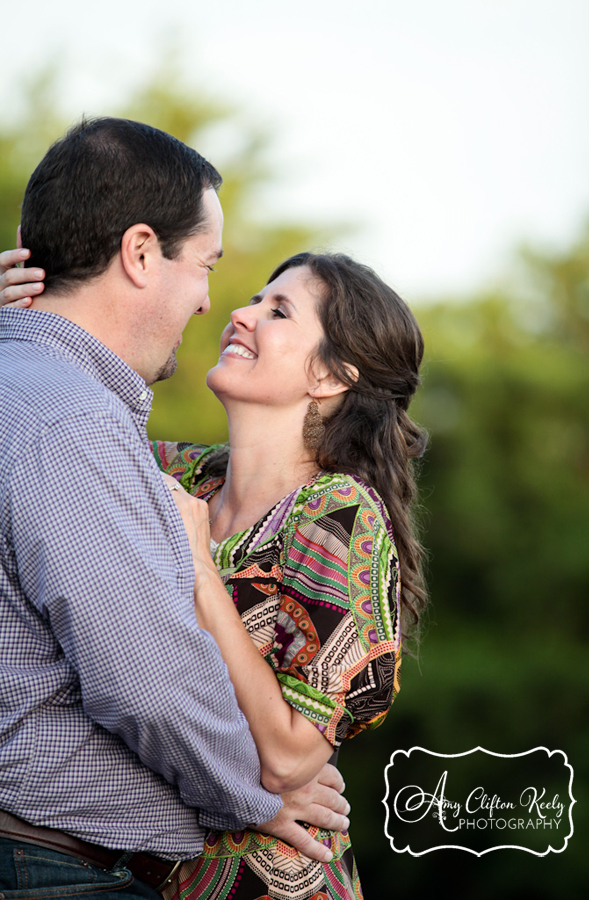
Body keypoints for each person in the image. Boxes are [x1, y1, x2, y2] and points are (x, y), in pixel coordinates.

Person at [2, 245, 428, 899]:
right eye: (257, 298)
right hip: (132, 873)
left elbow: (291, 757)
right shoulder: (171, 471)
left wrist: (201, 571)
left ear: (331, 375)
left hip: (267, 882)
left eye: (279, 311)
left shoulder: (337, 516)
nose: (242, 313)